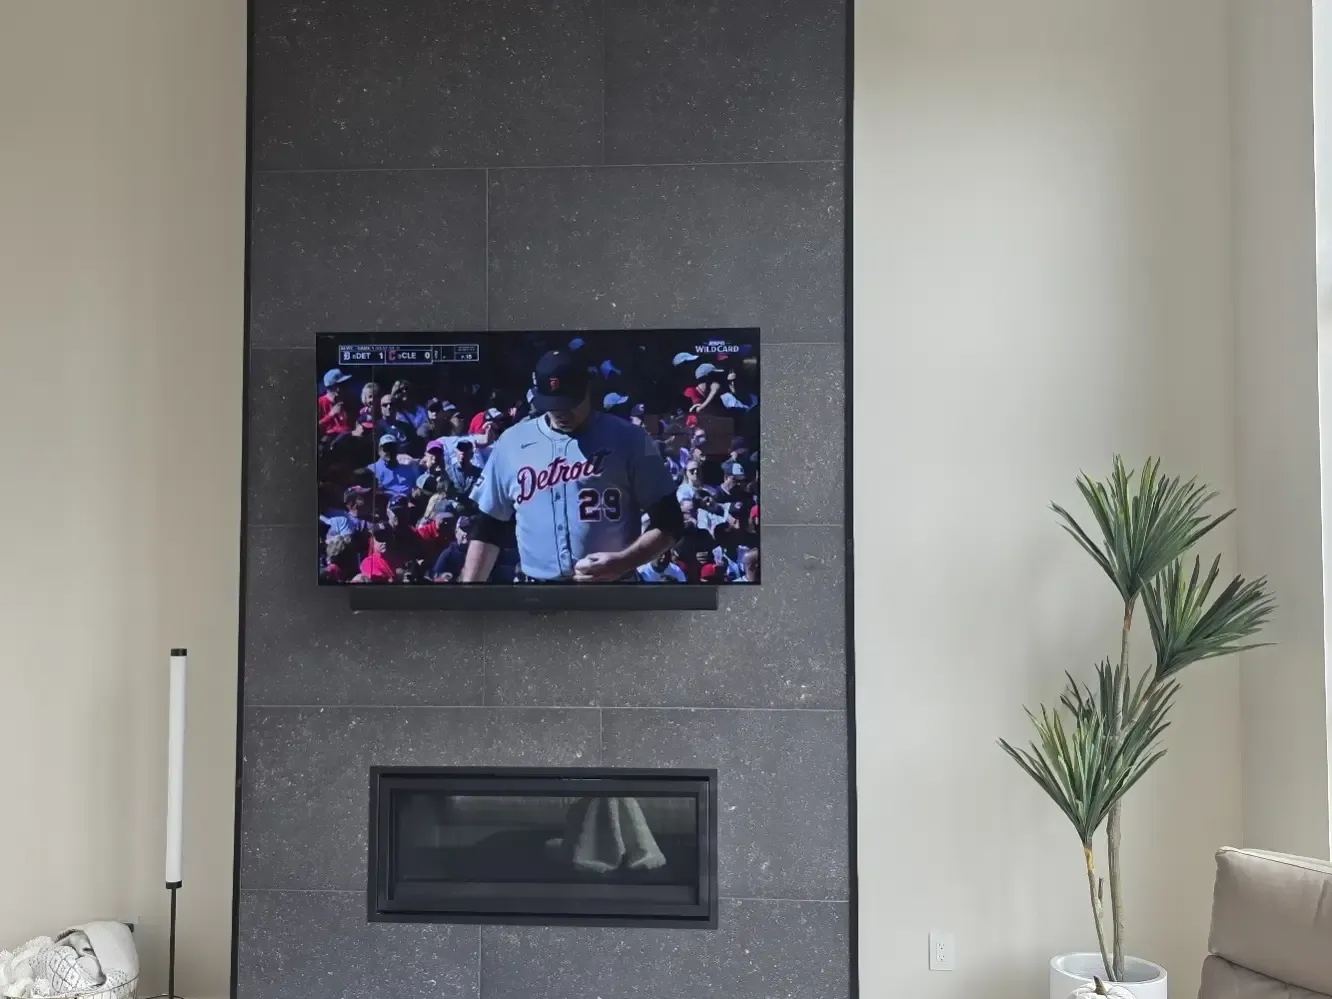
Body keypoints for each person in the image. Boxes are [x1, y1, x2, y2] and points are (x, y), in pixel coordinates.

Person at [460, 349, 684, 583]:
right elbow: (488, 528)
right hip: (538, 591)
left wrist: (624, 562)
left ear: (587, 389)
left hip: (613, 589)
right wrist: (468, 595)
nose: (561, 412)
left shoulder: (630, 438)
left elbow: (670, 522)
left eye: (569, 403)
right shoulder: (512, 442)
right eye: (553, 405)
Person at [368, 435, 419, 500]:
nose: (389, 451)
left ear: (397, 450)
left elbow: (415, 489)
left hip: (407, 503)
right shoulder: (371, 470)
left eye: (392, 448)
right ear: (379, 450)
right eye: (386, 448)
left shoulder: (408, 469)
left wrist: (415, 493)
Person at [317, 369, 354, 437]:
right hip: (329, 439)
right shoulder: (320, 402)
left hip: (346, 437)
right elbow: (315, 426)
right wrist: (331, 415)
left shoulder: (346, 400)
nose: (346, 387)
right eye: (342, 384)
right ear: (334, 387)